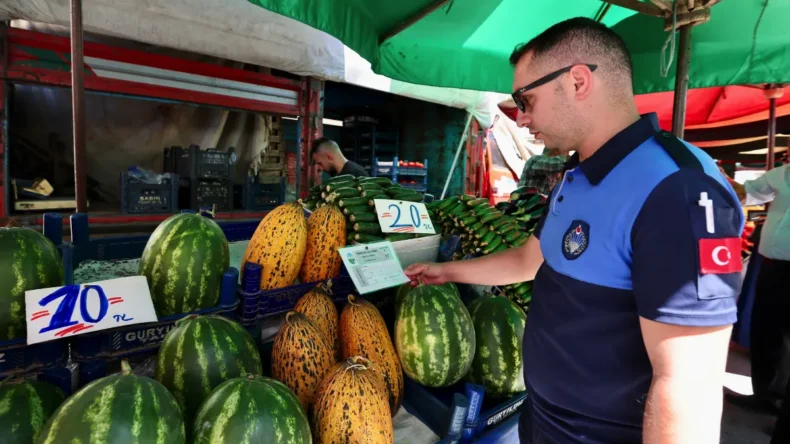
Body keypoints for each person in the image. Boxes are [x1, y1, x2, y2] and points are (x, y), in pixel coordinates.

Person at [405, 17, 744, 444]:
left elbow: (689, 384)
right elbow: (530, 260)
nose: (521, 117)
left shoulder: (681, 189)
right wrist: (448, 272)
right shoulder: (575, 174)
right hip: (541, 419)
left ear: (578, 81)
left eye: (525, 99)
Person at [726, 162, 790, 436]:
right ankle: (765, 396)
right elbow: (751, 192)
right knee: (766, 330)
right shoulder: (783, 173)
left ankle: (780, 405)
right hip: (771, 264)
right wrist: (728, 184)